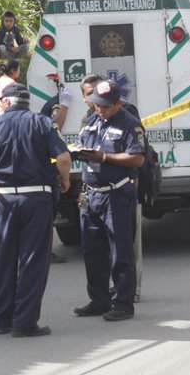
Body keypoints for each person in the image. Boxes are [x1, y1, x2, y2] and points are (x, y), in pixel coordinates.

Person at [0, 84, 71, 337]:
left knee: (4, 259)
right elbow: (64, 158)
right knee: (33, 260)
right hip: (37, 198)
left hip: (4, 201)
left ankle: (1, 319)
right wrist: (65, 180)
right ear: (27, 102)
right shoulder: (43, 123)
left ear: (5, 102)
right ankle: (24, 322)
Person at [73, 79, 145, 322]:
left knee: (121, 250)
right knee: (92, 250)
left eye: (104, 106)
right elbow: (83, 143)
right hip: (91, 193)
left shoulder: (130, 124)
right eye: (96, 105)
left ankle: (123, 303)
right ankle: (99, 299)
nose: (99, 109)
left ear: (117, 103)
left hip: (116, 194)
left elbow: (137, 159)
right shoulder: (92, 119)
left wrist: (105, 157)